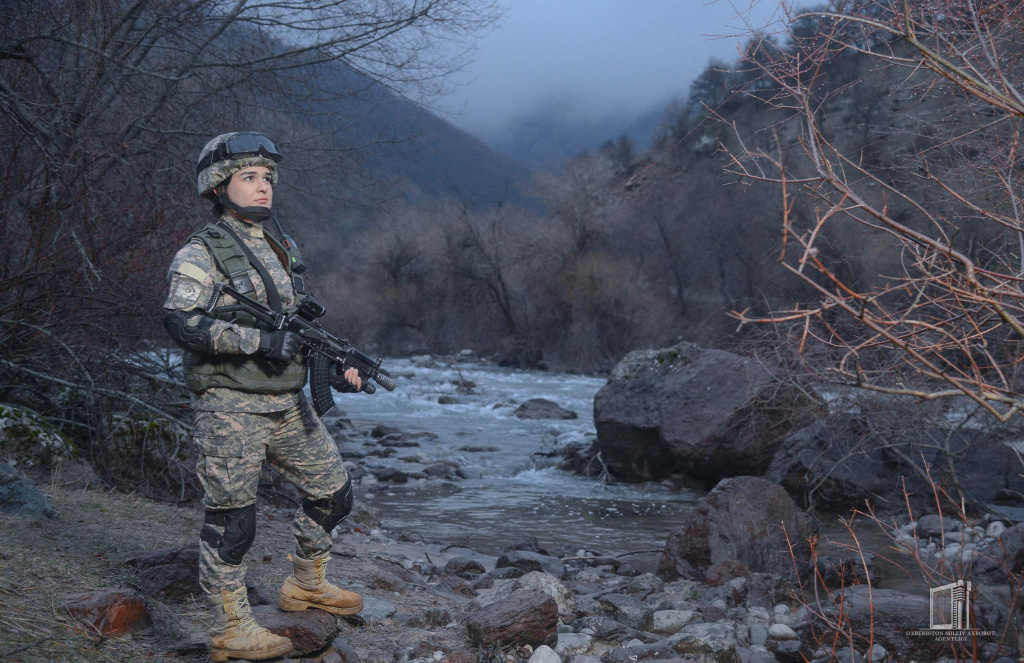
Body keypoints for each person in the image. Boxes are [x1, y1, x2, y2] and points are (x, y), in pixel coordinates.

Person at [163, 132, 364, 662]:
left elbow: (296, 328)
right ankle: (232, 627)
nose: (262, 188)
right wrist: (260, 341)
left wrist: (333, 368)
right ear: (218, 185)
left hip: (286, 401)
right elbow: (182, 322)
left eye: (267, 178)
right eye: (249, 178)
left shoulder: (281, 247)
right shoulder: (202, 251)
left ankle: (305, 583)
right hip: (230, 404)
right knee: (232, 519)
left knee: (335, 493)